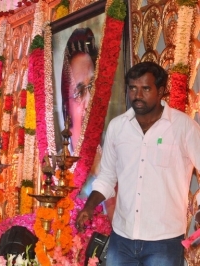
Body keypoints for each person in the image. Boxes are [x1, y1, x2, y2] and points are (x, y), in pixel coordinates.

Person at [76, 61, 200, 265]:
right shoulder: (118, 127)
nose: (137, 95)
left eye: (145, 89)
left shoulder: (183, 127)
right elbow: (107, 177)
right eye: (133, 88)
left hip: (164, 241)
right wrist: (89, 207)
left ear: (161, 91)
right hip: (122, 238)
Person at [61, 27, 98, 152]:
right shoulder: (58, 164)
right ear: (66, 106)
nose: (89, 102)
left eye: (92, 87)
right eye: (79, 92)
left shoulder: (108, 156)